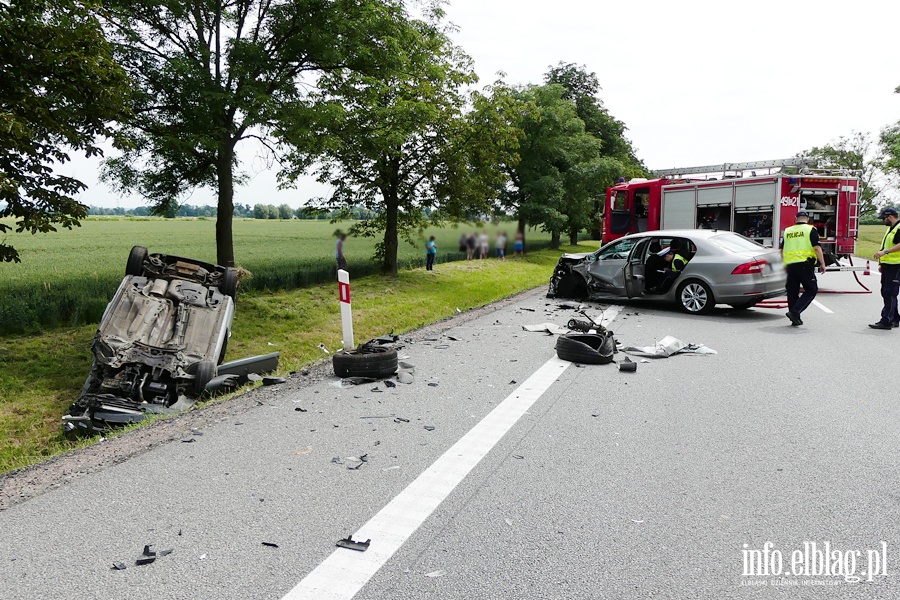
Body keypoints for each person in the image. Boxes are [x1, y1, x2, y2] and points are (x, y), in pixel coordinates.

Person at [780, 210, 826, 326]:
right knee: (811, 289)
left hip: (790, 265)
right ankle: (795, 312)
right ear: (808, 219)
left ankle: (794, 318)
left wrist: (783, 264)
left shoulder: (787, 231)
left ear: (796, 218)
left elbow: (781, 250)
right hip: (804, 264)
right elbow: (816, 248)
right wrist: (822, 263)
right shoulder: (811, 229)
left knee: (792, 292)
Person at [869, 207, 900, 330]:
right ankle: (895, 319)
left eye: (884, 218)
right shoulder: (891, 229)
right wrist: (882, 263)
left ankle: (886, 320)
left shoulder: (898, 228)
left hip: (896, 265)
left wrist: (885, 252)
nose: (883, 220)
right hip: (889, 265)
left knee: (890, 293)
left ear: (890, 216)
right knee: (887, 292)